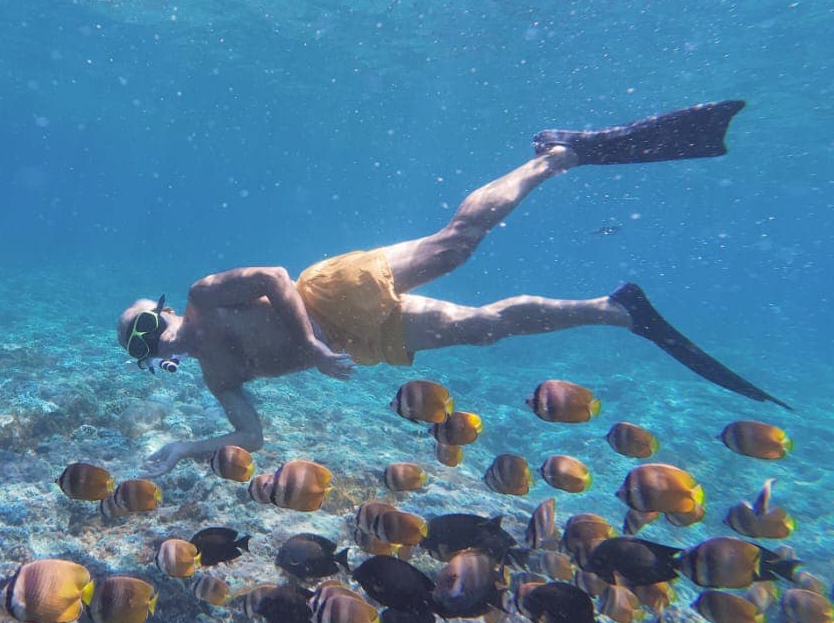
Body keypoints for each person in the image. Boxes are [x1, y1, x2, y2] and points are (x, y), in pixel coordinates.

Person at [116, 102, 786, 477]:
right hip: (359, 339)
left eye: (145, 321)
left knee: (457, 245)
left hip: (333, 297)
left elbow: (273, 278)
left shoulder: (206, 293)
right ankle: (617, 309)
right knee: (484, 329)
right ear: (149, 357)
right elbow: (252, 438)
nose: (153, 336)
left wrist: (311, 346)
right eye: (139, 345)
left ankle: (559, 154)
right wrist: (187, 448)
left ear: (163, 308)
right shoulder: (217, 376)